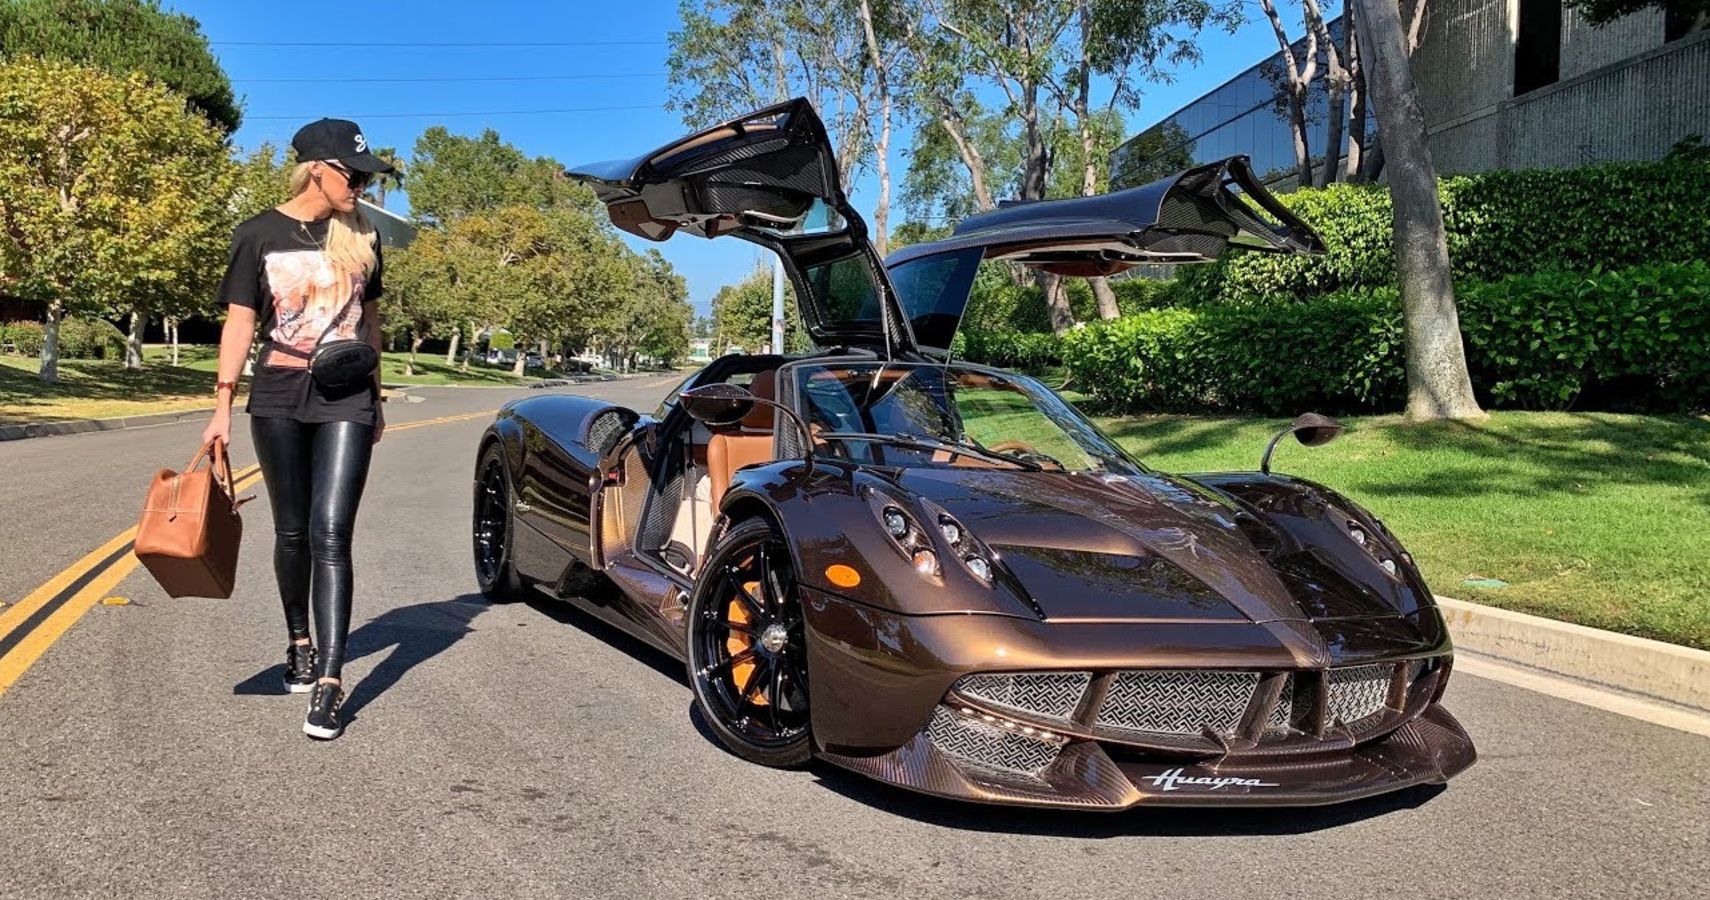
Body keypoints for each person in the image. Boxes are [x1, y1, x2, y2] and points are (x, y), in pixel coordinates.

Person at [202, 118, 396, 740]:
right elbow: (239, 324)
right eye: (354, 173)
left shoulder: (364, 236)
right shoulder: (258, 234)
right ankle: (299, 641)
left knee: (331, 532)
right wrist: (222, 405)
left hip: (346, 394)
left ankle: (331, 684)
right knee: (292, 532)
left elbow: (369, 324)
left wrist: (377, 395)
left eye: (368, 176)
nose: (362, 185)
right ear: (319, 168)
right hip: (279, 392)